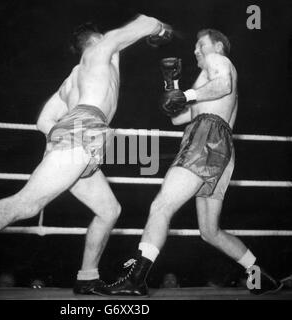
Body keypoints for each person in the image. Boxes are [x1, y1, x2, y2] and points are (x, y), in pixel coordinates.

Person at [0, 14, 173, 299]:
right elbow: (145, 21)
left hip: (83, 135)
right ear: (97, 40)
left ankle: (88, 277)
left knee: (109, 210)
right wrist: (160, 30)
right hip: (83, 132)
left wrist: (60, 138)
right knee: (28, 203)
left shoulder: (72, 80)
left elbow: (44, 120)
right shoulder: (100, 49)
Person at [94, 29, 283, 296]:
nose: (196, 50)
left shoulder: (219, 61)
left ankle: (135, 280)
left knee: (161, 206)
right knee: (209, 231)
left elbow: (223, 85)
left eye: (201, 45)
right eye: (194, 47)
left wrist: (188, 94)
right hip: (220, 149)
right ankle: (260, 276)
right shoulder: (206, 81)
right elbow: (178, 118)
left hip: (206, 139)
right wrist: (172, 86)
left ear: (217, 45)